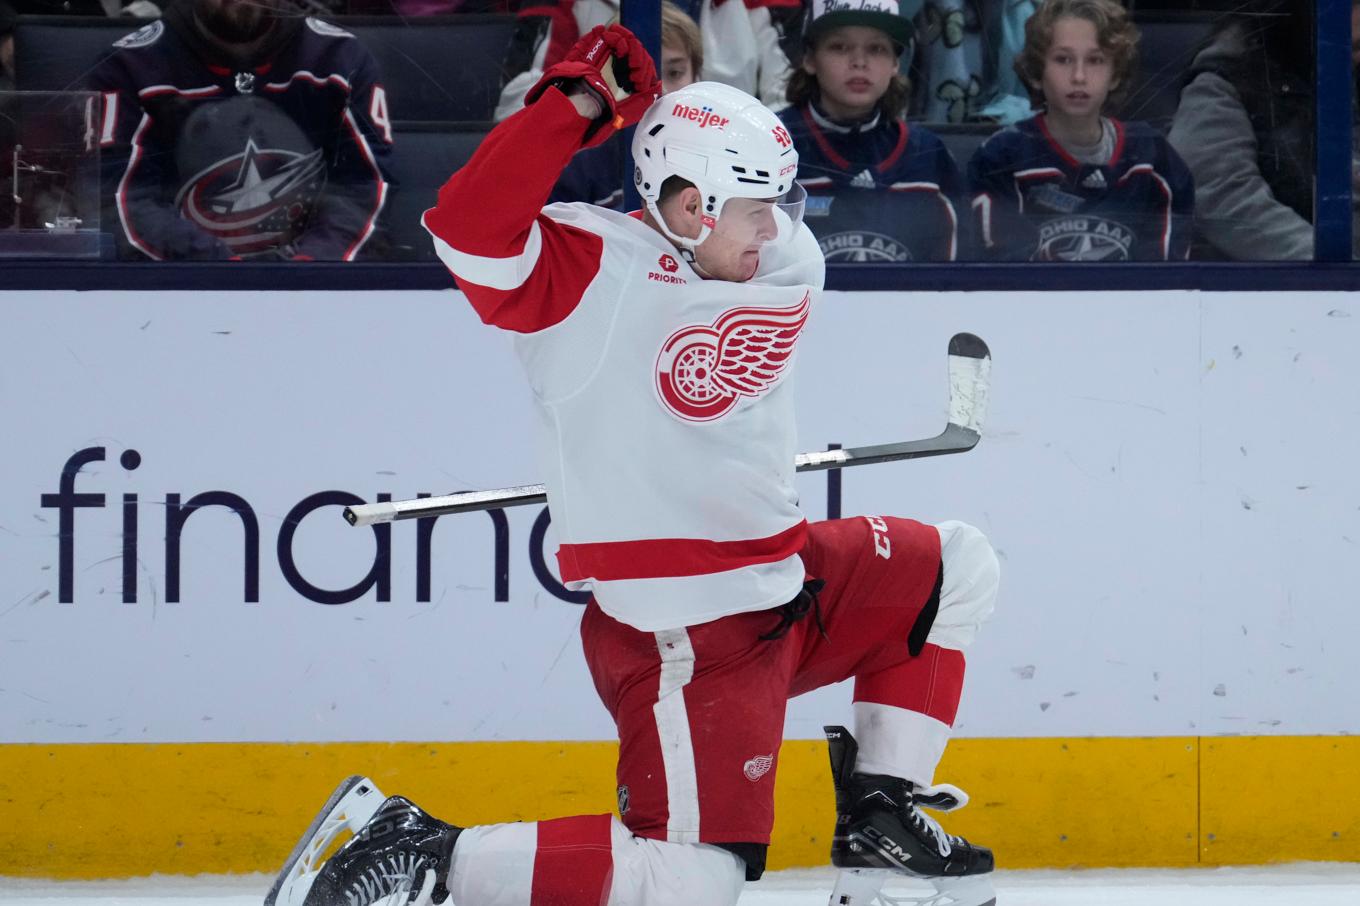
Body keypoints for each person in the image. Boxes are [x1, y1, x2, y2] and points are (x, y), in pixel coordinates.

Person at [267, 23, 999, 906]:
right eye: (755, 207)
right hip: (687, 639)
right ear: (690, 207)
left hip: (783, 584)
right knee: (692, 881)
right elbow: (463, 225)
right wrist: (573, 104)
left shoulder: (782, 257)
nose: (782, 229)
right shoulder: (583, 278)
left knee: (955, 567)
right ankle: (420, 848)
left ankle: (881, 814)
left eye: (784, 200)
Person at [86, 0, 394, 260]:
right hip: (180, 296)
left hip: (316, 290)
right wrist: (227, 273)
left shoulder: (341, 57)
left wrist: (305, 269)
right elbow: (119, 203)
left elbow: (366, 190)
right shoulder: (128, 65)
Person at [967, 0, 1194, 261]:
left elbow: (1166, 286)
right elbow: (1002, 281)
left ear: (1116, 74)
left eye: (1095, 60)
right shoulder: (1001, 159)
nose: (1079, 76)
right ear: (1036, 73)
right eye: (1063, 60)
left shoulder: (1154, 159)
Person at [780, 0, 965, 263]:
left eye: (876, 48)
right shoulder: (772, 145)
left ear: (895, 63)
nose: (859, 62)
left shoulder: (928, 155)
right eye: (839, 47)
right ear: (809, 58)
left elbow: (954, 283)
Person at [1166, 0, 1346, 260]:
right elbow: (1220, 195)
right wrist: (1327, 264)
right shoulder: (1227, 79)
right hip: (1292, 286)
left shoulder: (1345, 64)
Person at [494, 0, 800, 120]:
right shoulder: (566, 3)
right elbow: (519, 112)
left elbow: (790, 107)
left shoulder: (763, 4)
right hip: (605, 164)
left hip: (728, 169)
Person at [548, 0, 701, 209]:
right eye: (639, 74)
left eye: (675, 73)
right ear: (611, 79)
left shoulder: (724, 161)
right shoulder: (578, 170)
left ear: (697, 77)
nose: (660, 91)